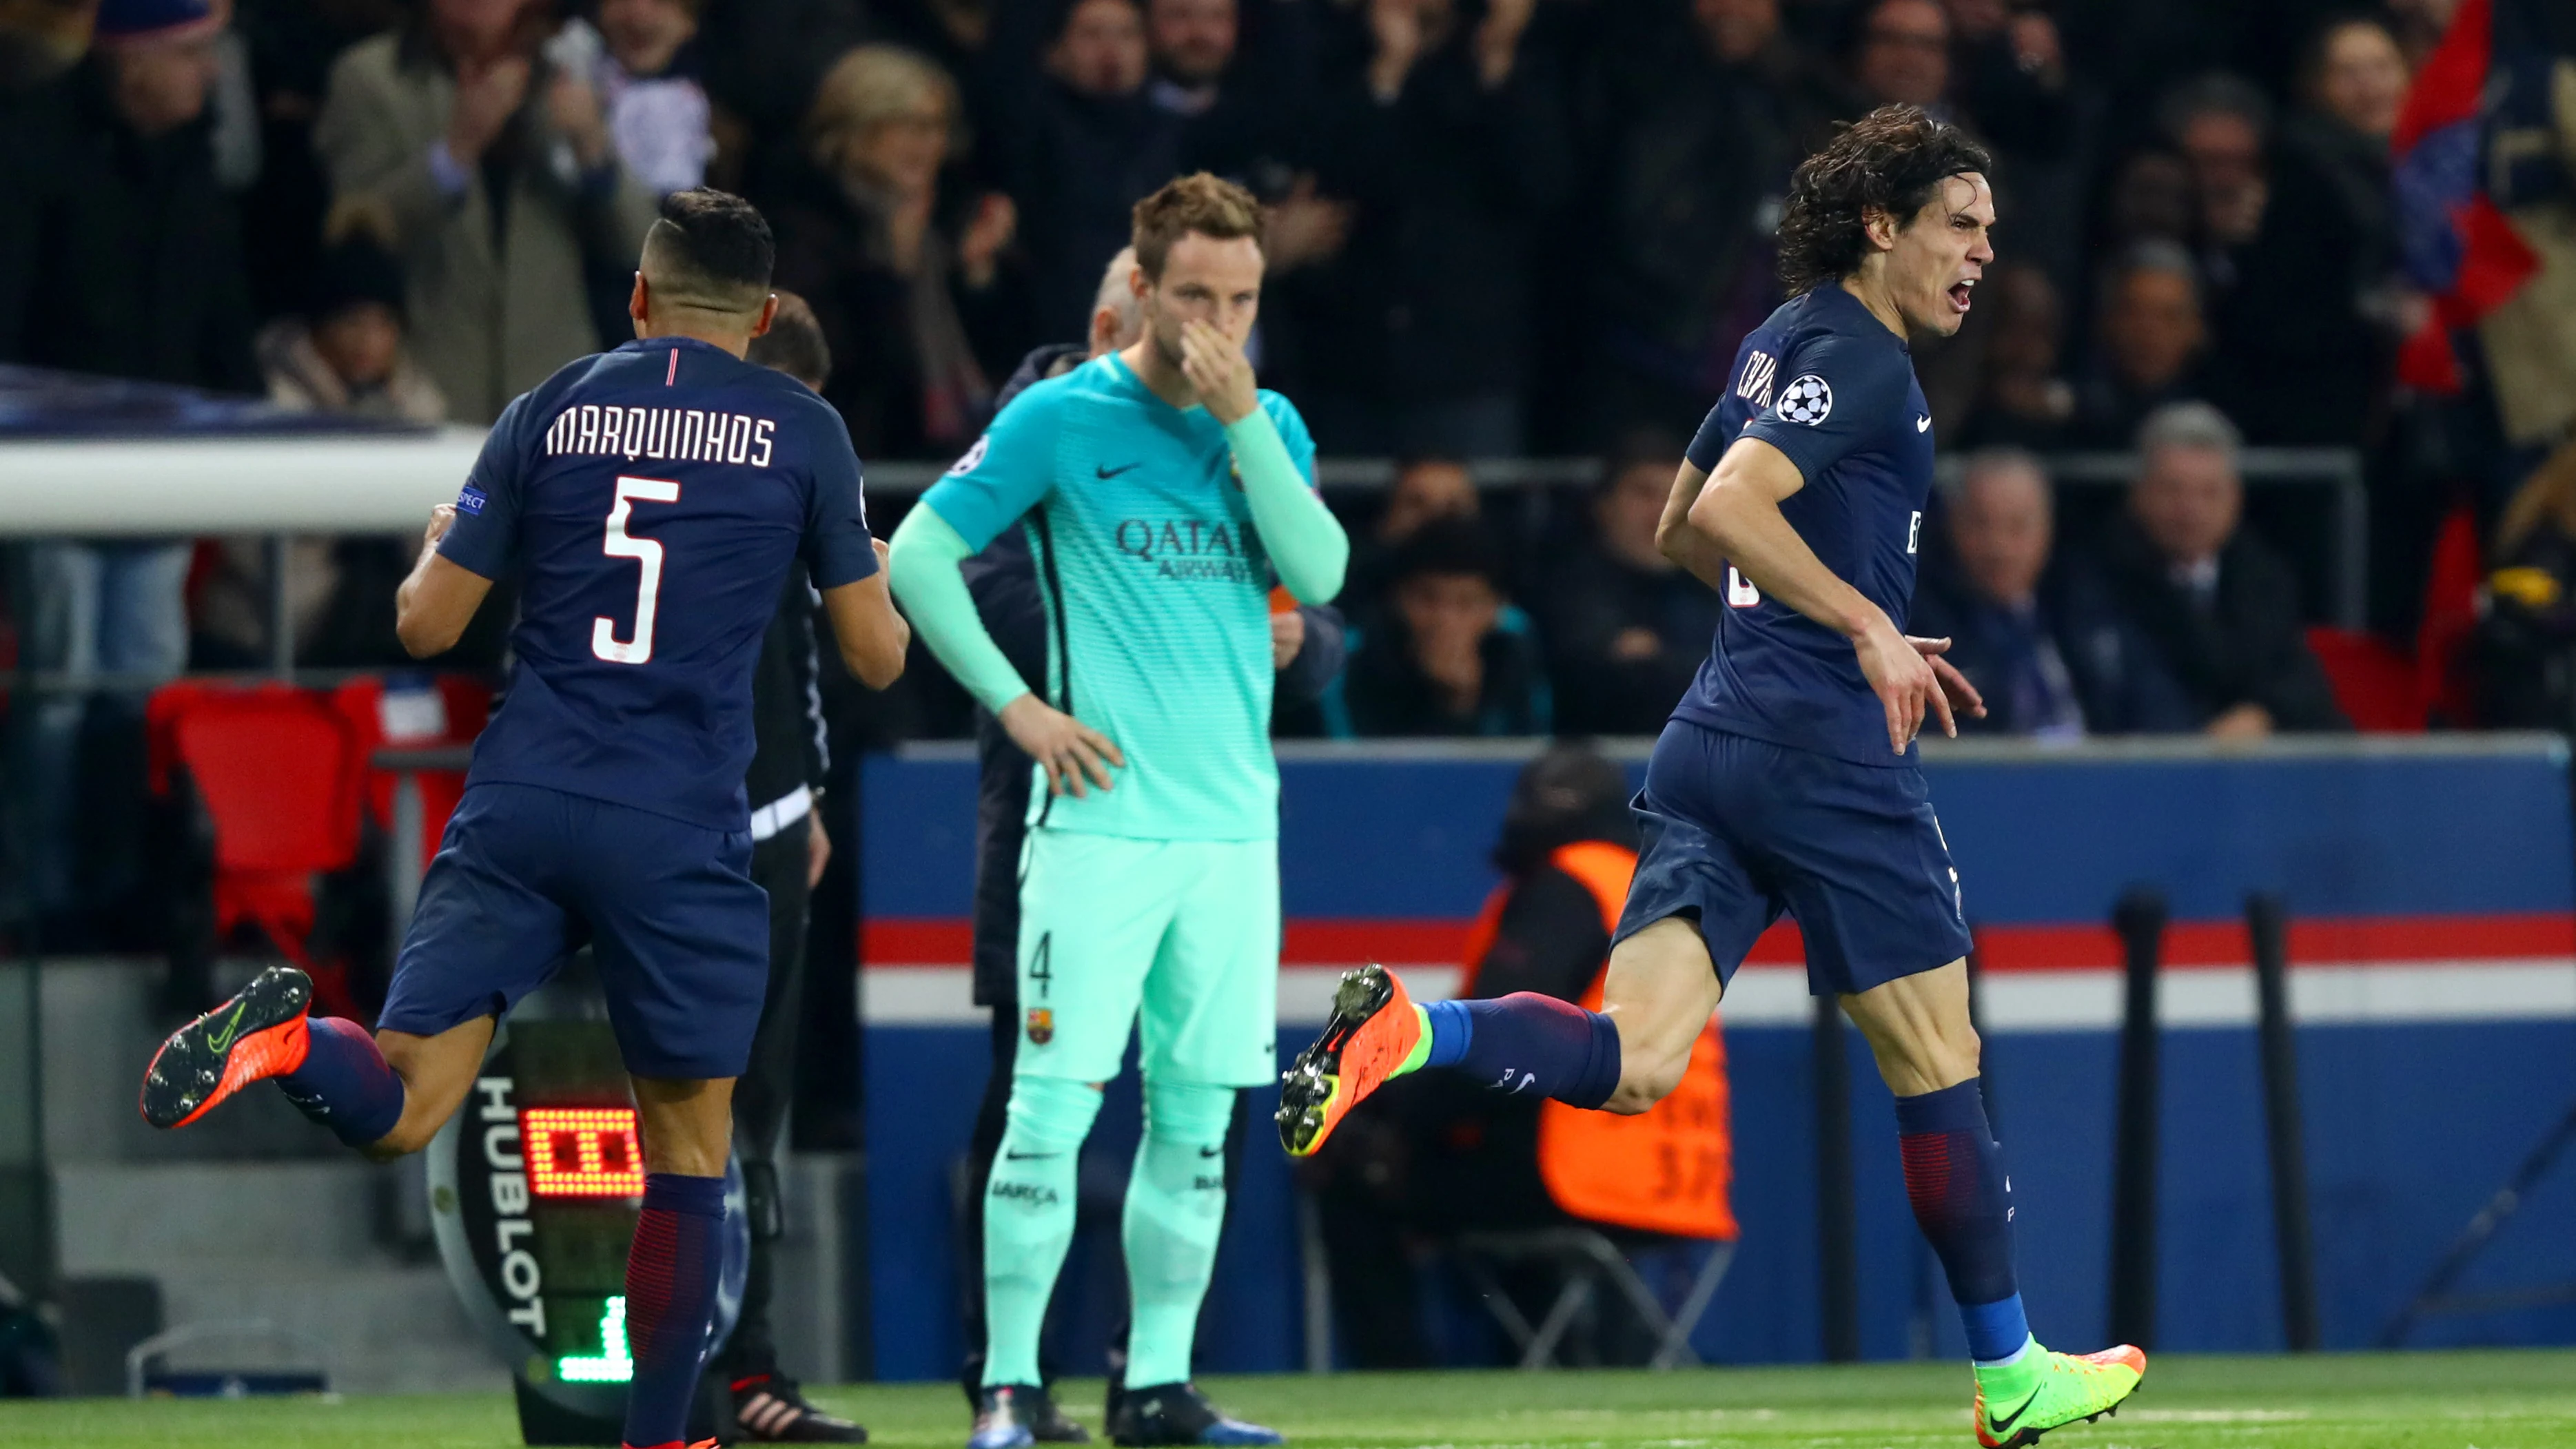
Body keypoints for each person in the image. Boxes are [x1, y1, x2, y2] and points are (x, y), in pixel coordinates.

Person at [1277, 106, 2149, 1446]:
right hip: (1824, 754)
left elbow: (1684, 526)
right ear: (1884, 224)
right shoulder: (1861, 354)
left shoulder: (1778, 338)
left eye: (1991, 228)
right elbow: (1732, 512)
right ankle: (2011, 1367)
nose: (1983, 251)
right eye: (1960, 223)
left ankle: (1413, 1030)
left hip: (1715, 735)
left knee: (1635, 1060)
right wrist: (1861, 626)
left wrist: (1835, 604)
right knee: (1939, 1057)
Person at [134, 189, 912, 1449]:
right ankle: (663, 1439)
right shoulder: (801, 429)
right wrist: (867, 568)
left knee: (402, 1104)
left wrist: (439, 541)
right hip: (676, 825)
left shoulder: (547, 407)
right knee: (686, 1152)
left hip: (524, 800)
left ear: (639, 298)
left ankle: (286, 1046)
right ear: (765, 317)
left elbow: (425, 625)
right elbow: (873, 659)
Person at [888, 173, 1345, 1449]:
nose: (1218, 320)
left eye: (1242, 298)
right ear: (1139, 288)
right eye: (1195, 293)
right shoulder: (1058, 416)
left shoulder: (1270, 420)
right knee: (1050, 1105)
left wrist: (1248, 423)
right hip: (1094, 826)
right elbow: (919, 551)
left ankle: (1154, 1385)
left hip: (1231, 835)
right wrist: (1018, 706)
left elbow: (1320, 574)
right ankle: (1011, 1390)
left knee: (1200, 1118)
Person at [1306, 744, 1732, 1370]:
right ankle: (1551, 1359)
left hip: (1578, 1171)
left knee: (1355, 1177)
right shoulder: (1657, 884)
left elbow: (1505, 1038)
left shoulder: (1568, 885)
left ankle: (1406, 1384)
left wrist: (1391, 1124)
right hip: (1683, 1181)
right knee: (1494, 1152)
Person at [5, 0, 257, 936]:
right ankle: (45, 895)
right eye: (194, 56)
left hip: (162, 474)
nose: (208, 75)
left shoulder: (194, 161)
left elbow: (222, 306)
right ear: (138, 61)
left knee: (142, 684)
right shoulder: (32, 149)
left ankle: (120, 890)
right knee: (63, 685)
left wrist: (257, 422)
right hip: (54, 476)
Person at [714, 289, 870, 1445]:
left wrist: (804, 795)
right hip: (673, 836)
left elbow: (801, 655)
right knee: (690, 1111)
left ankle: (741, 1366)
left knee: (745, 1109)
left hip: (757, 824)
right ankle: (681, 1368)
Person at [313, 0, 662, 422]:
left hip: (557, 398)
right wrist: (455, 152)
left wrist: (593, 149)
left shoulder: (571, 70)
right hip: (423, 393)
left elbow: (641, 248)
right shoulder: (369, 78)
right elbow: (352, 238)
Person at [772, 43, 1021, 460]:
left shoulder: (950, 226)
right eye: (905, 124)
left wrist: (979, 276)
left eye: (936, 126)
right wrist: (893, 271)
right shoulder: (806, 232)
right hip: (856, 468)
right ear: (854, 131)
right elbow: (844, 370)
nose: (927, 143)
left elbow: (1007, 359)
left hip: (949, 469)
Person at [2097, 402, 2347, 737]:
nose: (2190, 510)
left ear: (2236, 498)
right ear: (2138, 494)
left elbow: (2299, 678)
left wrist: (2263, 713)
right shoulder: (2102, 579)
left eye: (2209, 493)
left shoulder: (2262, 576)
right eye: (2173, 490)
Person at [1909, 451, 2192, 737]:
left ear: (2047, 529)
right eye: (1981, 524)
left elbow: (2157, 705)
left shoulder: (2083, 605)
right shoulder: (1921, 623)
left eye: (2017, 527)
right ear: (1953, 527)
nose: (1999, 547)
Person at [1540, 434, 1724, 736]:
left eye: (1675, 496)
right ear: (1603, 505)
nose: (1660, 514)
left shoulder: (1714, 589)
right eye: (1644, 494)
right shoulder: (1568, 590)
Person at [1325, 515, 1548, 738]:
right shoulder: (1352, 656)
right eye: (1428, 599)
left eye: (1466, 603)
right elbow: (1350, 761)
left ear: (1496, 609)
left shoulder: (1517, 646)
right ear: (1398, 599)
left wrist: (1462, 705)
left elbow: (1532, 755)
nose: (1444, 619)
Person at [2069, 242, 2215, 450]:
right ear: (2106, 321)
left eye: (2169, 317)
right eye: (2134, 313)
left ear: (2197, 330)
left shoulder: (2230, 411)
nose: (2149, 332)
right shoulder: (2070, 415)